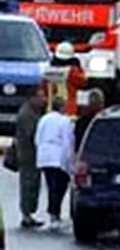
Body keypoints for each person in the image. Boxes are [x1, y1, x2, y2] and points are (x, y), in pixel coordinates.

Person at [34, 97, 75, 229]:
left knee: (51, 185)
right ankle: (54, 213)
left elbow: (37, 138)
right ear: (62, 107)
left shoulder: (44, 119)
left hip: (44, 157)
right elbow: (68, 142)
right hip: (58, 158)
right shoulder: (64, 121)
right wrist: (70, 161)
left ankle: (52, 213)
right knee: (59, 187)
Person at [15, 86, 46, 228]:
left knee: (34, 184)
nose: (43, 100)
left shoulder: (34, 112)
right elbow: (32, 134)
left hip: (34, 155)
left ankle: (30, 213)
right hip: (28, 155)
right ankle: (26, 214)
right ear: (32, 98)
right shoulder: (26, 114)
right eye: (40, 97)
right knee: (28, 184)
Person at [45, 42, 87, 117]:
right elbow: (84, 81)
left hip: (50, 111)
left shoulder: (48, 71)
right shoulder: (73, 72)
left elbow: (43, 88)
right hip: (69, 112)